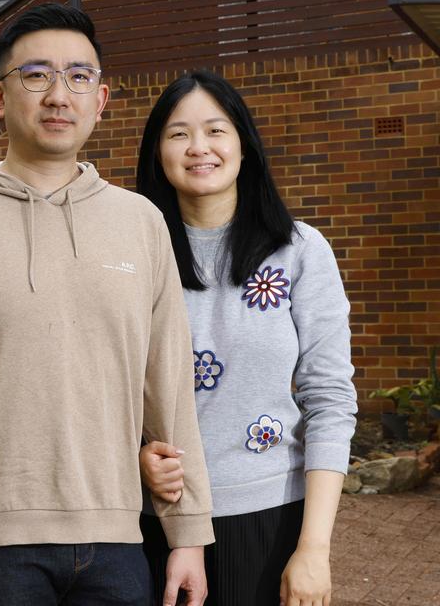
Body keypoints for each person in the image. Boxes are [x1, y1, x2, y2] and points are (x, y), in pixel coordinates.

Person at [0, 3, 215, 606]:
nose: (58, 94)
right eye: (36, 75)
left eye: (78, 76)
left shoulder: (141, 224)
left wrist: (189, 536)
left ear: (102, 98)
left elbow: (169, 390)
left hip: (119, 542)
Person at [134, 71, 358, 606]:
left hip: (270, 518)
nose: (199, 148)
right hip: (151, 522)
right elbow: (97, 387)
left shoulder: (299, 250)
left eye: (216, 130)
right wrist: (133, 456)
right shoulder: (132, 253)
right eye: (178, 134)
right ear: (157, 152)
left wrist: (314, 549)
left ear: (243, 145)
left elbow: (330, 399)